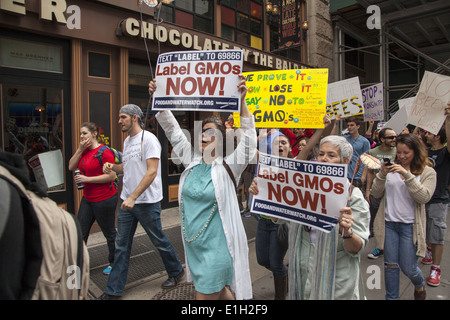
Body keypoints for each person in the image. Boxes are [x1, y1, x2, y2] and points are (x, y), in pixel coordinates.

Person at [150, 74, 257, 300]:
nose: (203, 135)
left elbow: (248, 140)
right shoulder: (192, 161)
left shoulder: (230, 167)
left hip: (218, 251)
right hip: (195, 248)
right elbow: (174, 133)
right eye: (202, 131)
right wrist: (158, 99)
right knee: (222, 293)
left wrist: (243, 103)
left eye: (211, 132)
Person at [250, 125, 369, 300]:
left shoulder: (353, 198)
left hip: (336, 286)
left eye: (331, 155)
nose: (324, 159)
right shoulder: (304, 188)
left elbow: (356, 248)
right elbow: (281, 217)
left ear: (345, 161)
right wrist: (264, 196)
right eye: (321, 154)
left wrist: (348, 232)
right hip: (302, 279)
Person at [97, 104, 183, 300]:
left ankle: (176, 271)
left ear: (135, 118)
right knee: (121, 246)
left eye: (123, 117)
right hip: (127, 201)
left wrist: (133, 197)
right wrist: (113, 167)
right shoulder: (127, 142)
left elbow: (152, 172)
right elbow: (126, 168)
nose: (119, 121)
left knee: (158, 240)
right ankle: (113, 291)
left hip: (145, 202)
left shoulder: (149, 139)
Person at [371, 133, 437, 300]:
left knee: (409, 268)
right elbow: (376, 193)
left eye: (406, 152)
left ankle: (419, 284)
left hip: (410, 227)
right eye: (398, 152)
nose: (401, 156)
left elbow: (423, 197)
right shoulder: (391, 169)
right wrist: (382, 174)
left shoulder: (427, 172)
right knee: (390, 267)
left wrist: (407, 175)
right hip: (389, 224)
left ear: (416, 151)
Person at [68, 122, 118, 275]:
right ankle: (78, 265)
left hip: (104, 198)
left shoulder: (105, 152)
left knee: (109, 232)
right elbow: (71, 167)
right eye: (81, 134)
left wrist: (87, 179)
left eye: (85, 133)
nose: (82, 137)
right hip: (88, 198)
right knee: (81, 232)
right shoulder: (83, 151)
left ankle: (115, 263)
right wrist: (79, 149)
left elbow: (111, 176)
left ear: (94, 134)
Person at [422, 104, 450, 287]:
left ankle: (436, 268)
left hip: (439, 199)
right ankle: (428, 250)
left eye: (430, 132)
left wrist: (448, 119)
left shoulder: (446, 152)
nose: (426, 134)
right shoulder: (424, 152)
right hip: (423, 197)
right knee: (426, 232)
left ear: (438, 136)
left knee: (437, 233)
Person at [363, 127, 397, 259]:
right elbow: (371, 172)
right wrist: (368, 190)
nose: (394, 139)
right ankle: (379, 247)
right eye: (390, 137)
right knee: (377, 220)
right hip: (378, 190)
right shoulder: (373, 152)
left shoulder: (399, 151)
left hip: (394, 191)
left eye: (395, 137)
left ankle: (392, 247)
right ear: (382, 139)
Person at [344, 117, 370, 188]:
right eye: (348, 125)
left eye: (352, 125)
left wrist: (363, 176)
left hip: (357, 175)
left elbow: (366, 160)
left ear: (358, 126)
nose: (349, 127)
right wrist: (335, 124)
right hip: (345, 174)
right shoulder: (344, 139)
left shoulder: (364, 141)